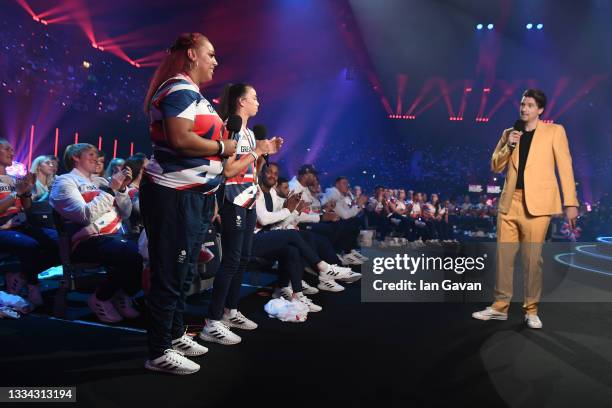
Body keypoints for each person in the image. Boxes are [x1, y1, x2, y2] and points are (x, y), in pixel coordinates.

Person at [139, 32, 237, 375]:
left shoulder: (191, 93)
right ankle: (158, 350)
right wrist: (223, 149)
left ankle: (176, 334)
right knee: (170, 272)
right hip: (173, 196)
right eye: (210, 54)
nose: (215, 61)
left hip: (192, 197)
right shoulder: (178, 89)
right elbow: (181, 140)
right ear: (192, 54)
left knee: (182, 272)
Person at [472, 89, 579, 329]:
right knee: (504, 258)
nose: (524, 109)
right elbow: (495, 166)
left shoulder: (554, 131)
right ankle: (500, 307)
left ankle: (531, 310)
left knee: (532, 260)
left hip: (538, 205)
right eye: (522, 104)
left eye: (530, 105)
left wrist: (570, 202)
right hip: (510, 203)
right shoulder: (510, 133)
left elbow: (565, 168)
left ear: (540, 109)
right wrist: (509, 146)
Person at [200, 83, 281, 345]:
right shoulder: (231, 127)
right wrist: (258, 151)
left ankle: (230, 311)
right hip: (233, 200)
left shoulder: (246, 132)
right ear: (241, 102)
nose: (259, 102)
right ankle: (211, 322)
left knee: (243, 257)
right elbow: (228, 169)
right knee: (232, 259)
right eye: (254, 98)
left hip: (247, 199)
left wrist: (263, 155)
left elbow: (249, 169)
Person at [50, 143, 141, 323]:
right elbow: (85, 215)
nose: (96, 158)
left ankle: (122, 294)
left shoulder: (100, 182)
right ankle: (100, 298)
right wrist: (111, 190)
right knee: (135, 254)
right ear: (75, 157)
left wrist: (121, 189)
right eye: (90, 154)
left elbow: (125, 213)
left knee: (153, 249)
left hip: (115, 236)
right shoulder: (64, 182)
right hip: (85, 241)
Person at [0, 139, 58, 308]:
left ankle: (21, 277)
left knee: (61, 242)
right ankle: (33, 285)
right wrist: (16, 194)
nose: (12, 152)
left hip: (21, 226)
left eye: (12, 149)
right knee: (30, 245)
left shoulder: (13, 179)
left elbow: (27, 208)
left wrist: (25, 193)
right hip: (3, 228)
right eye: (7, 149)